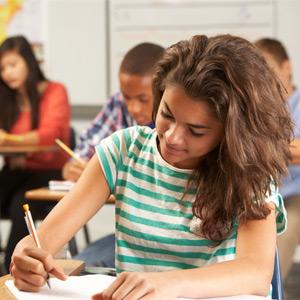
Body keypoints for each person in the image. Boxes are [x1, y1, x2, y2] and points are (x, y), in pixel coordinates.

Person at [11, 34, 292, 299]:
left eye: (196, 130)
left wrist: (168, 282)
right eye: (166, 114)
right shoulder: (123, 151)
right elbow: (41, 241)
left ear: (230, 133)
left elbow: (255, 272)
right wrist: (26, 257)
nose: (172, 137)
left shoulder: (248, 170)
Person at [63, 42, 164, 268]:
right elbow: (84, 148)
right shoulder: (120, 118)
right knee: (81, 263)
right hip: (131, 234)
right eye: (127, 97)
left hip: (165, 241)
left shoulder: (175, 127)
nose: (133, 108)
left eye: (142, 99)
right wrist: (77, 165)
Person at [0, 36, 70, 271]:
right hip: (15, 171)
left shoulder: (54, 91)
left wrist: (10, 140)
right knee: (16, 196)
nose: (7, 73)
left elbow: (51, 136)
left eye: (13, 65)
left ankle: (11, 270)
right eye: (2, 68)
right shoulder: (5, 98)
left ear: (29, 63)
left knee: (21, 203)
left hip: (49, 174)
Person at [255, 37, 300, 283]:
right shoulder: (258, 107)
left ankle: (267, 291)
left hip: (294, 196)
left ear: (287, 67)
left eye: (270, 70)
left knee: (287, 222)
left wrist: (262, 146)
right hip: (260, 193)